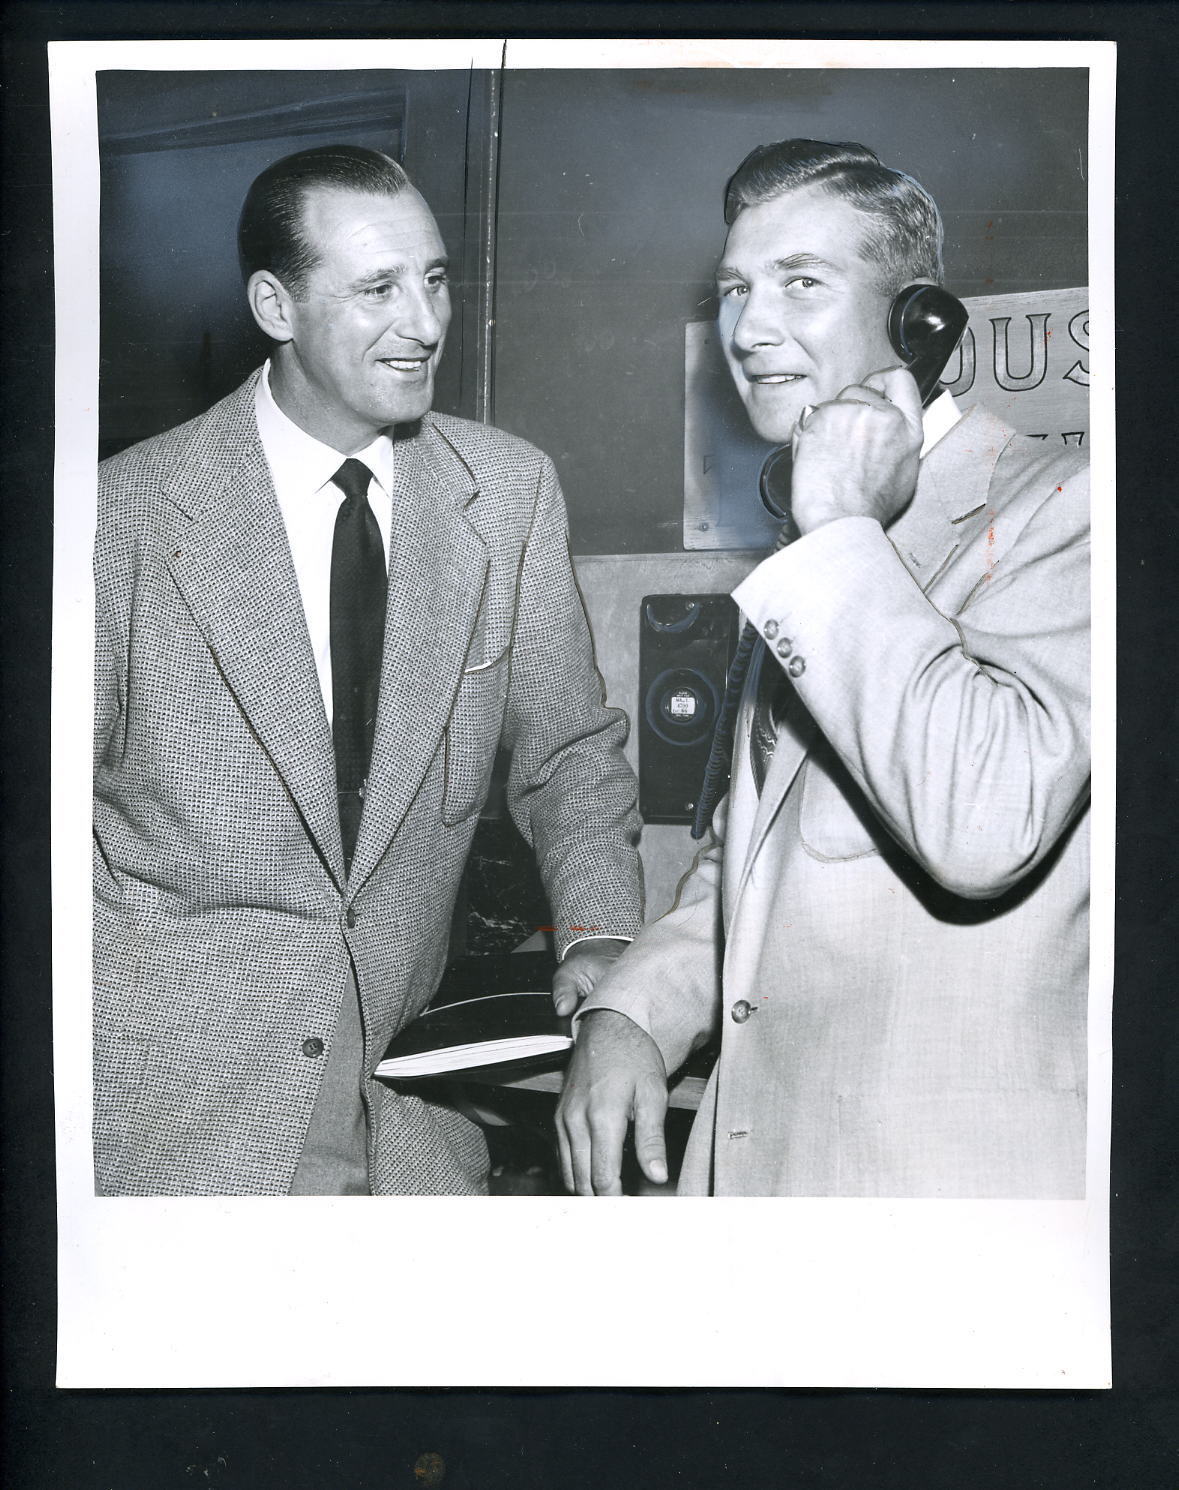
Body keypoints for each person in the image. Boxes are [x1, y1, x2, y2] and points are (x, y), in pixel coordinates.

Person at [93, 145, 642, 1196]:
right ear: (276, 304)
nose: (427, 322)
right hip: (166, 1125)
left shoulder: (509, 494)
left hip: (406, 1120)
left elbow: (571, 751)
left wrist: (601, 931)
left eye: (433, 278)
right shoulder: (123, 514)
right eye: (379, 287)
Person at [557, 139, 1090, 1199]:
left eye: (802, 283)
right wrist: (630, 1011)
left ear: (919, 322)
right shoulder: (818, 551)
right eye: (736, 290)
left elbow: (986, 820)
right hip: (772, 1177)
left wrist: (840, 526)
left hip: (946, 1202)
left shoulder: (1069, 510)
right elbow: (755, 863)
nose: (749, 330)